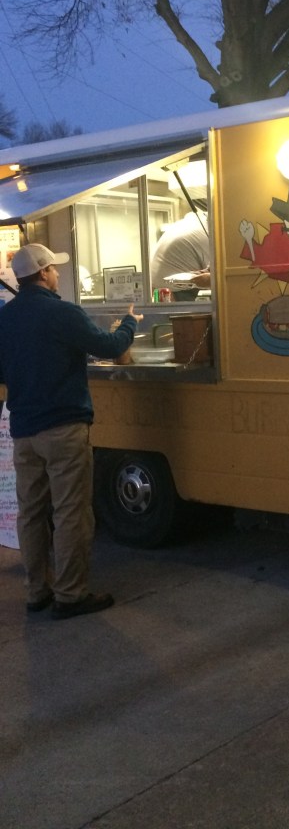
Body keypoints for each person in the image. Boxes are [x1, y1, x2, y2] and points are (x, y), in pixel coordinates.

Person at [0, 243, 141, 620]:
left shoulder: (4, 319)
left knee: (31, 514)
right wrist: (129, 322)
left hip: (24, 433)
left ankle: (37, 592)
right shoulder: (62, 313)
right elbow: (110, 347)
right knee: (70, 513)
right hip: (63, 430)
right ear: (43, 273)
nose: (58, 274)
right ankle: (70, 595)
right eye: (55, 269)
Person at [150, 200, 211, 298]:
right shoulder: (207, 233)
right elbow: (218, 277)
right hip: (175, 292)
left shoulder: (193, 222)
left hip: (155, 292)